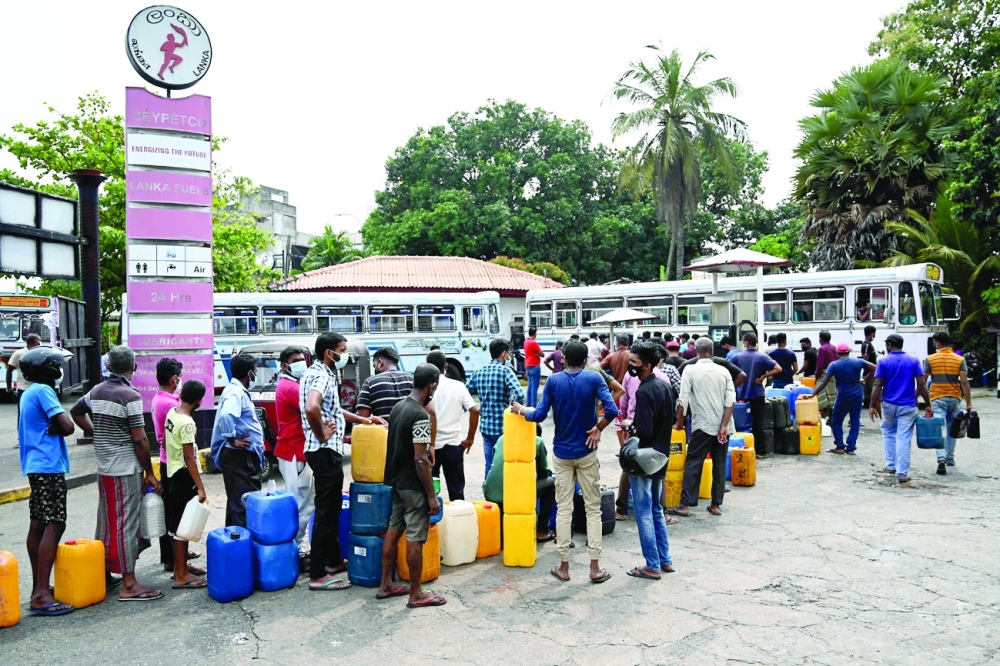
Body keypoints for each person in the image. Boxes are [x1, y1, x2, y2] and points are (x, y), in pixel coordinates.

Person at [512, 340, 618, 584]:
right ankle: (594, 567)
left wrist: (519, 409)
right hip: (587, 451)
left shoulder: (554, 381)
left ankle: (564, 566)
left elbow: (538, 415)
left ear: (563, 360)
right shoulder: (593, 378)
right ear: (585, 361)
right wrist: (598, 429)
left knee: (564, 508)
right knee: (593, 509)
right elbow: (611, 409)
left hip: (561, 453)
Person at [70, 345, 163, 602]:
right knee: (126, 523)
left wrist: (95, 434)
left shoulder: (96, 391)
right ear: (133, 368)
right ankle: (129, 584)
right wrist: (150, 473)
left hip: (105, 468)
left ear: (108, 366)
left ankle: (104, 574)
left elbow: (76, 412)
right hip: (124, 469)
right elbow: (141, 441)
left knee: (108, 521)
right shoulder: (129, 396)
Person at [302, 332, 378, 591]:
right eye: (343, 350)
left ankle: (333, 562)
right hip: (324, 452)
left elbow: (334, 411)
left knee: (332, 507)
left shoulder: (315, 373)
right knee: (326, 511)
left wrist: (365, 419)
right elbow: (312, 407)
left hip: (320, 452)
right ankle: (317, 576)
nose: (345, 355)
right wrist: (320, 433)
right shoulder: (322, 376)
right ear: (329, 353)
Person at [377, 363, 446, 608]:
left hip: (396, 482)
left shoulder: (398, 407)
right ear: (432, 386)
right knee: (415, 538)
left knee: (394, 530)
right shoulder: (420, 415)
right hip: (413, 487)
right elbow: (419, 459)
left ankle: (386, 584)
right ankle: (416, 594)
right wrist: (431, 496)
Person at [18, 347, 77, 615]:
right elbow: (67, 426)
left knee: (39, 523)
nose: (59, 370)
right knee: (55, 523)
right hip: (48, 466)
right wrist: (59, 422)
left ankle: (38, 588)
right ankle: (41, 593)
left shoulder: (28, 392)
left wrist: (56, 423)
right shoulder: (43, 391)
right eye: (56, 365)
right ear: (48, 369)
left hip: (35, 465)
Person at [667, 338, 736, 517]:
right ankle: (715, 504)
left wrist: (679, 422)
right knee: (719, 464)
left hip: (702, 425)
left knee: (694, 462)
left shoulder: (690, 369)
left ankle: (685, 505)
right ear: (712, 351)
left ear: (696, 352)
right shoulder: (723, 371)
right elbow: (730, 401)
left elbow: (683, 399)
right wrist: (723, 427)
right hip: (723, 427)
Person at [625, 342, 675, 579]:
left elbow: (644, 429)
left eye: (633, 362)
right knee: (656, 509)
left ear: (646, 365)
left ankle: (652, 566)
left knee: (644, 511)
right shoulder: (664, 386)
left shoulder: (644, 391)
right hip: (662, 455)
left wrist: (631, 427)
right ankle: (665, 560)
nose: (630, 366)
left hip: (645, 458)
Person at [150, 358, 202, 575]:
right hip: (174, 464)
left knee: (173, 514)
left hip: (169, 462)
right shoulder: (175, 408)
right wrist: (200, 484)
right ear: (174, 379)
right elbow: (188, 454)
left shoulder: (159, 399)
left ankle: (175, 558)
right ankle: (176, 563)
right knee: (178, 518)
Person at [209, 353, 264, 528]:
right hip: (240, 456)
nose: (255, 374)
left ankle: (234, 545)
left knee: (236, 503)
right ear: (250, 373)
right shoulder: (236, 392)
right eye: (255, 371)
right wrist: (231, 438)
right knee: (244, 503)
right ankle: (243, 546)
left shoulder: (235, 390)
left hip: (240, 455)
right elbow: (226, 414)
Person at [163, 379, 208, 589]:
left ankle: (180, 568)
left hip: (172, 472)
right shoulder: (188, 423)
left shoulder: (172, 413)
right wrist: (200, 486)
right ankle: (181, 575)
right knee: (183, 526)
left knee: (176, 525)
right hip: (183, 475)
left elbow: (165, 441)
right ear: (199, 401)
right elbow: (190, 458)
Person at [870, 334, 930, 485]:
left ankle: (891, 465)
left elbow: (877, 385)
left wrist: (871, 405)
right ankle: (902, 473)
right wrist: (928, 403)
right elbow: (921, 385)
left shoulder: (883, 361)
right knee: (904, 437)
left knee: (888, 433)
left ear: (890, 345)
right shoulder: (913, 360)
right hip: (908, 406)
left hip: (889, 404)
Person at [482, 423, 555, 542]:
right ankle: (542, 531)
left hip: (490, 493)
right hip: (512, 497)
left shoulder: (502, 438)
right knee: (550, 483)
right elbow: (544, 473)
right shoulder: (537, 441)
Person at [274, 346, 315, 558]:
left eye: (303, 359)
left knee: (302, 504)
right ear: (285, 365)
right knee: (302, 506)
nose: (302, 363)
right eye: (297, 360)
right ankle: (296, 551)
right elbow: (316, 406)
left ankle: (296, 548)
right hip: (294, 452)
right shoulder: (291, 388)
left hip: (293, 451)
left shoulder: (288, 384)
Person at [466, 339, 524, 477]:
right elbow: (519, 394)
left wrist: (475, 408)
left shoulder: (478, 371)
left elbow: (465, 393)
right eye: (508, 353)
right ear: (503, 354)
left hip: (486, 427)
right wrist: (511, 407)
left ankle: (489, 492)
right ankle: (503, 493)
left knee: (489, 463)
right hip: (503, 427)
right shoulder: (506, 371)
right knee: (505, 462)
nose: (509, 356)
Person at [426, 350, 480, 500]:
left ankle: (432, 521)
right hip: (454, 446)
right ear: (446, 366)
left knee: (430, 491)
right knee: (456, 491)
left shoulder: (423, 387)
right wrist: (470, 439)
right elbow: (474, 410)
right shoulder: (458, 386)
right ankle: (458, 520)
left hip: (430, 447)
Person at [922, 332, 974, 475]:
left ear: (938, 343)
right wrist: (968, 402)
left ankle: (941, 459)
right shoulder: (960, 359)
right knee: (953, 428)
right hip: (955, 398)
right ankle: (950, 457)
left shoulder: (930, 359)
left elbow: (923, 382)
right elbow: (964, 382)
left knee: (939, 428)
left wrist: (921, 399)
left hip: (937, 398)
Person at [815, 344, 875, 455]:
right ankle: (851, 447)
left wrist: (813, 394)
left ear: (837, 353)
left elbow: (824, 382)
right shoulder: (858, 361)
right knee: (855, 420)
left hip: (843, 395)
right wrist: (866, 379)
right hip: (858, 394)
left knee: (836, 420)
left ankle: (840, 446)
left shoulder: (834, 365)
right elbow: (874, 368)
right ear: (849, 351)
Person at [731, 334, 780, 456]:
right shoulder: (763, 357)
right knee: (758, 423)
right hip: (758, 394)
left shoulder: (738, 357)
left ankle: (742, 448)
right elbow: (778, 369)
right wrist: (764, 376)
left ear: (746, 343)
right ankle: (761, 451)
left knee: (741, 424)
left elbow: (726, 368)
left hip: (742, 395)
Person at [357, 347, 413, 421]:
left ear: (380, 363)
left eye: (374, 365)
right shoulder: (413, 379)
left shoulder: (370, 382)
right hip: (410, 431)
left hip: (383, 431)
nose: (375, 368)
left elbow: (363, 417)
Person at [6, 333, 41, 423]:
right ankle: (21, 435)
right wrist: (9, 388)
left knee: (37, 413)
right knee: (22, 412)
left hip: (38, 388)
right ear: (35, 343)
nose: (40, 344)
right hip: (24, 388)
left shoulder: (40, 353)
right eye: (39, 342)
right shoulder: (19, 354)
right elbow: (9, 370)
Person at [815, 331, 839, 412]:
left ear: (820, 339)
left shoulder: (822, 348)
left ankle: (824, 417)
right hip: (834, 374)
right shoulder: (834, 347)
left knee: (823, 397)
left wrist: (816, 375)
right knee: (832, 396)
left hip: (825, 374)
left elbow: (820, 365)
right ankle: (831, 417)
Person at [522, 327, 545, 408]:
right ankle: (533, 406)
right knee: (534, 387)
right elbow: (542, 354)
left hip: (528, 365)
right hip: (535, 365)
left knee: (530, 386)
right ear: (535, 334)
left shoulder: (525, 342)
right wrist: (538, 354)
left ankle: (528, 404)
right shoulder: (533, 342)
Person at [860, 326, 878, 407]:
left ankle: (869, 403)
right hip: (870, 372)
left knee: (868, 390)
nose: (875, 335)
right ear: (871, 334)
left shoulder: (868, 345)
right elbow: (865, 358)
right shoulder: (867, 345)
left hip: (870, 371)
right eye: (874, 333)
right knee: (872, 388)